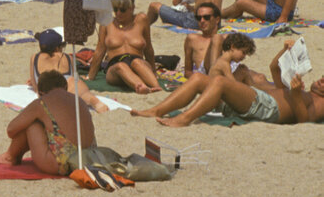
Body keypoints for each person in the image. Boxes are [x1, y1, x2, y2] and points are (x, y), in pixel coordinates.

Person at [132, 38, 324, 127]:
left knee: (220, 82)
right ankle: (155, 110)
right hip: (257, 101)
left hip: (267, 108)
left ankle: (184, 119)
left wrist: (297, 95)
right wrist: (285, 50)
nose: (322, 80)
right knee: (198, 78)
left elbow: (304, 120)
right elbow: (275, 68)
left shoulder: (319, 101)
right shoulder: (302, 89)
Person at [0, 71, 96, 176]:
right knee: (48, 124)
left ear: (40, 93)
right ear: (65, 87)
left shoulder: (42, 102)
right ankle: (11, 156)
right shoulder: (79, 101)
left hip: (63, 164)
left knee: (32, 123)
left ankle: (10, 156)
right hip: (89, 159)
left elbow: (11, 130)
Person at [87, 0, 161, 94]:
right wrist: (91, 76)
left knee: (137, 63)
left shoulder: (141, 20)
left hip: (138, 61)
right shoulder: (107, 23)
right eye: (115, 9)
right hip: (115, 66)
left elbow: (148, 48)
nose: (118, 13)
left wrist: (154, 72)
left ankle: (156, 87)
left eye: (122, 10)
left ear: (132, 8)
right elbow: (100, 50)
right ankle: (141, 86)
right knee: (121, 66)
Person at [27, 29, 108, 112]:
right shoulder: (68, 57)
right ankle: (92, 100)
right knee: (74, 82)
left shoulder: (34, 57)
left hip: (47, 92)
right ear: (57, 48)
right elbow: (73, 76)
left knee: (43, 83)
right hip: (66, 90)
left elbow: (34, 84)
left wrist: (34, 83)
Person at [181, 2, 224, 78]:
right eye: (198, 18)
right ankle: (213, 78)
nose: (202, 21)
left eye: (206, 17)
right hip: (206, 78)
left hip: (223, 78)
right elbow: (188, 71)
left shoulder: (225, 38)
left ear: (217, 20)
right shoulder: (192, 39)